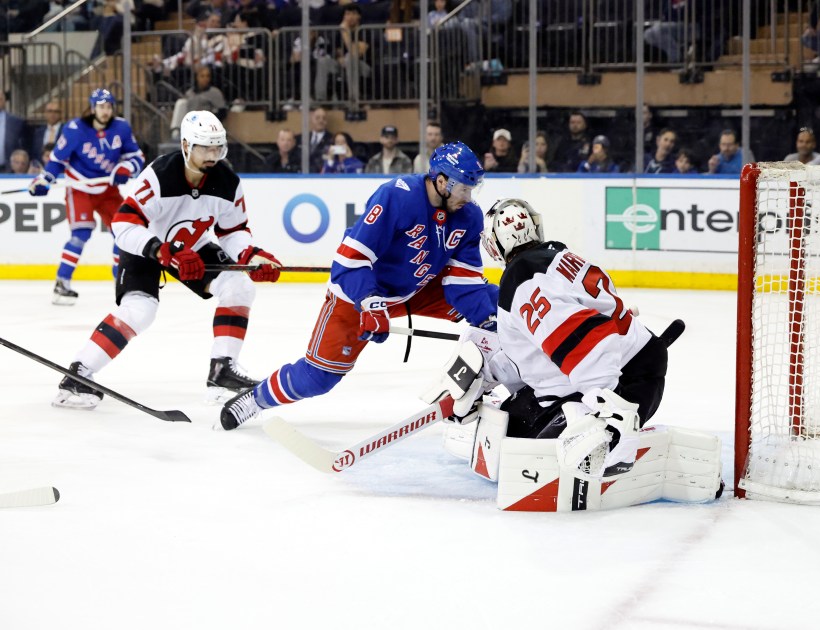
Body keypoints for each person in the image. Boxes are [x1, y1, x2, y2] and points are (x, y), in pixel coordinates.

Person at [442, 198, 723, 498]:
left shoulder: (522, 279)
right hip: (618, 370)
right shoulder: (554, 257)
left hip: (620, 385)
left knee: (540, 459)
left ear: (496, 243)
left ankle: (633, 449)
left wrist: (607, 410)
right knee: (511, 434)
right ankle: (607, 429)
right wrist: (486, 376)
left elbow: (583, 340)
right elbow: (533, 353)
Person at [220, 141, 499, 430]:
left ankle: (518, 385)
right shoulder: (397, 196)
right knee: (318, 377)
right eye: (464, 189)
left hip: (416, 290)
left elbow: (464, 282)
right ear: (442, 181)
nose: (469, 197)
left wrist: (487, 319)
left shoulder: (469, 216)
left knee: (500, 304)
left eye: (472, 189)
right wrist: (370, 302)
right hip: (359, 293)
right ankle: (255, 400)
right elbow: (350, 261)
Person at [52, 110, 283, 410]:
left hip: (192, 247)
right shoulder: (160, 175)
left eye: (218, 148)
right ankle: (78, 375)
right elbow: (123, 224)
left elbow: (234, 230)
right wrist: (161, 250)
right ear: (187, 146)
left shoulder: (227, 182)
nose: (213, 155)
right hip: (147, 246)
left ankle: (222, 371)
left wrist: (251, 255)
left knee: (239, 286)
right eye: (205, 148)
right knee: (140, 311)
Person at [28, 89, 145, 305]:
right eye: (101, 107)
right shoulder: (75, 129)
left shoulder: (121, 127)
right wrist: (45, 180)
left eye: (108, 106)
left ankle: (122, 279)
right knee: (80, 233)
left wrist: (125, 168)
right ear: (92, 108)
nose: (105, 111)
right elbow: (56, 161)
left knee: (123, 231)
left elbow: (137, 157)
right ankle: (62, 283)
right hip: (79, 188)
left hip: (107, 189)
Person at [169, 65, 227, 139]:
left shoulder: (214, 92)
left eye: (207, 76)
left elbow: (222, 111)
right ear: (197, 77)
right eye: (202, 76)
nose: (205, 79)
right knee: (181, 102)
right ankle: (176, 131)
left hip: (205, 123)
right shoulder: (190, 92)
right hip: (190, 122)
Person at [0, 91, 27, 171]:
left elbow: (23, 146)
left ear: (5, 101)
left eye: (0, 99)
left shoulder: (16, 122)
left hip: (8, 169)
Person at [306, 107, 333, 174]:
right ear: (312, 119)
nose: (321, 121)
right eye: (317, 118)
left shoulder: (333, 139)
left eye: (324, 118)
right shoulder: (301, 138)